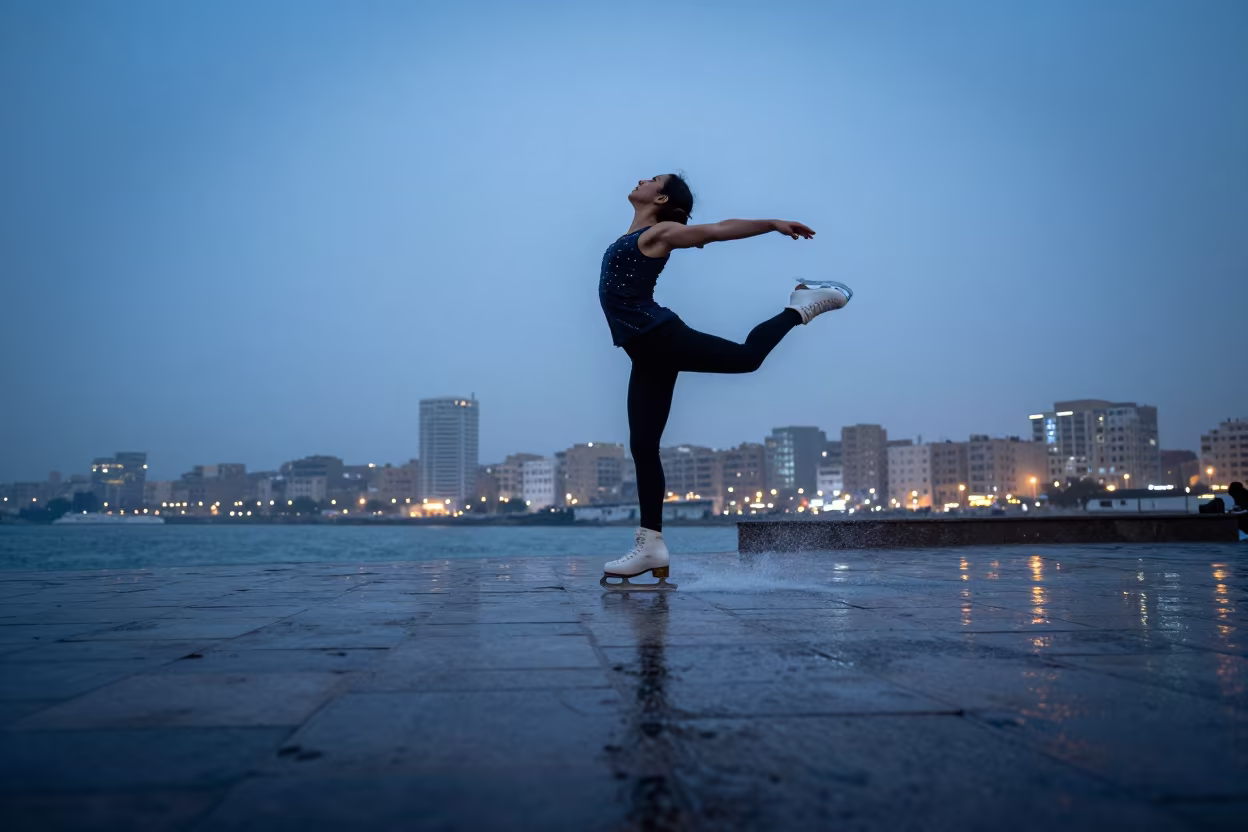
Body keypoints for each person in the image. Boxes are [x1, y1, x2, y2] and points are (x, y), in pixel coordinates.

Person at [599, 173, 852, 587]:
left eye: (653, 179)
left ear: (660, 198)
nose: (642, 179)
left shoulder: (658, 234)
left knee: (747, 358)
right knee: (643, 447)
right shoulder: (632, 237)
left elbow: (717, 229)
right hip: (644, 352)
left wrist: (771, 224)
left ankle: (801, 306)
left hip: (658, 337)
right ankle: (650, 546)